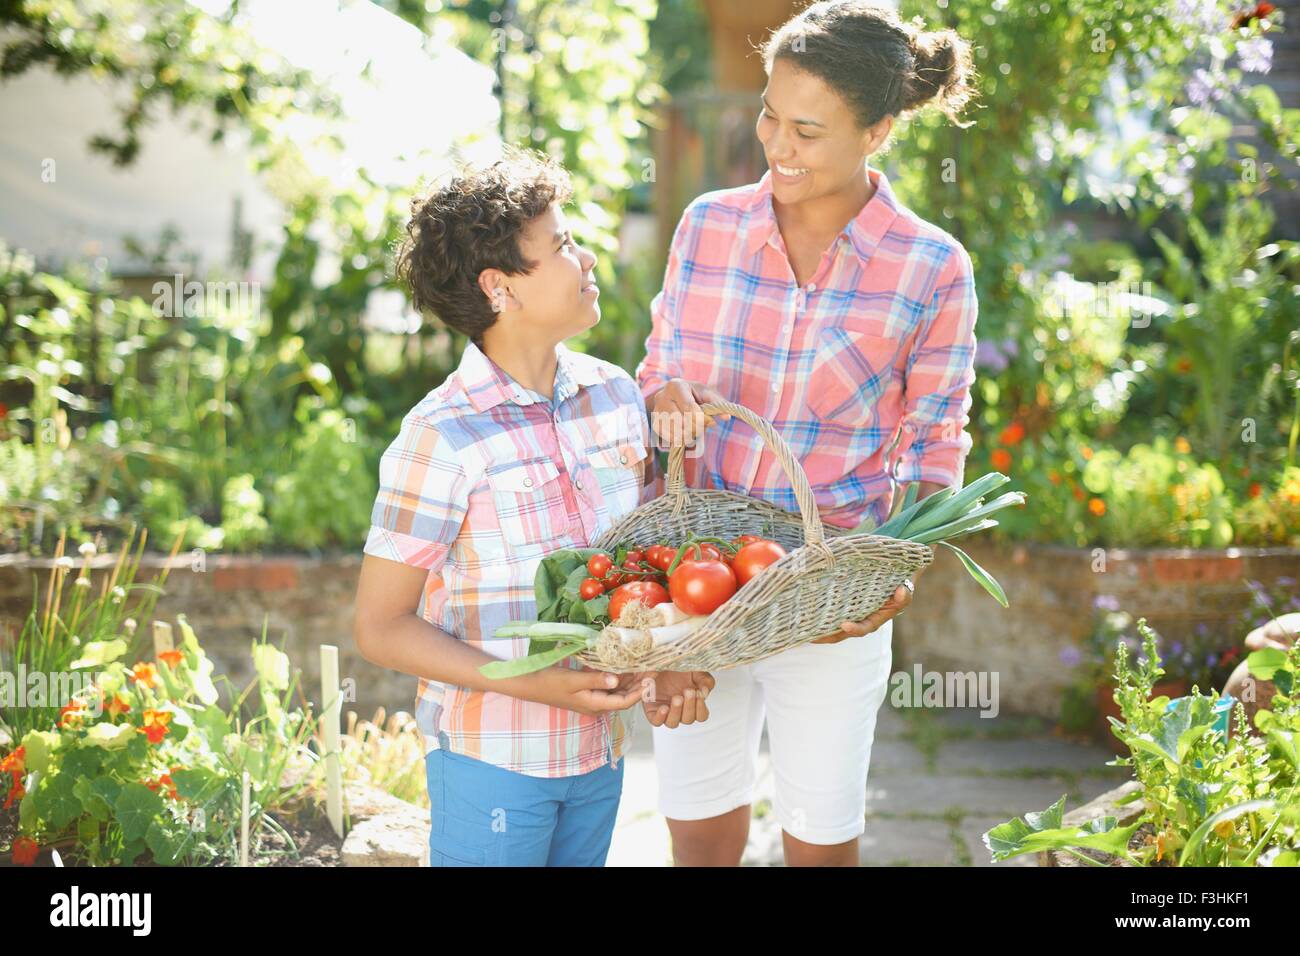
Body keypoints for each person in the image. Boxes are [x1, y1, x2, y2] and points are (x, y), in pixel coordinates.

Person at [637, 1, 979, 866]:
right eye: (769, 115)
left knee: (821, 843)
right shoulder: (708, 227)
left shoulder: (930, 267)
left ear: (879, 131)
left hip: (830, 591)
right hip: (699, 582)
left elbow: (936, 441)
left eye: (808, 130)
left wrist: (898, 565)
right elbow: (659, 375)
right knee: (701, 834)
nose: (777, 146)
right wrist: (664, 396)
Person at [352, 148, 713, 867]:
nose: (587, 261)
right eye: (564, 247)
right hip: (493, 767)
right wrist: (536, 683)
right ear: (500, 288)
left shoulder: (613, 397)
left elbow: (643, 566)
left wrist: (672, 658)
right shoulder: (442, 436)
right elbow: (381, 627)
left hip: (602, 759)